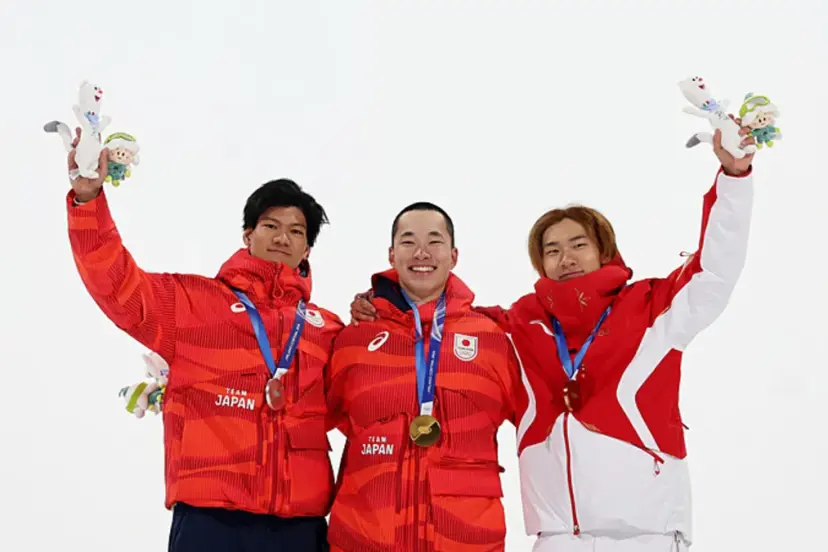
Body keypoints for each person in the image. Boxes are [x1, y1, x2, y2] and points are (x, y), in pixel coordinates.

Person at [349, 123, 757, 551]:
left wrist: (734, 179)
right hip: (557, 538)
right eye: (552, 250)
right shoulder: (520, 325)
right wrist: (383, 304)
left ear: (603, 250)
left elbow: (715, 271)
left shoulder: (654, 308)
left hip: (647, 533)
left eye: (578, 245)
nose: (566, 258)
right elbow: (444, 319)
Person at [64, 128, 343, 552]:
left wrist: (382, 310)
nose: (282, 237)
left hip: (299, 527)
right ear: (248, 235)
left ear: (307, 249)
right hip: (210, 521)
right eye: (270, 225)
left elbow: (372, 401)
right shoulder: (192, 304)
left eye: (296, 231)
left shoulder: (326, 331)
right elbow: (117, 285)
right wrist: (88, 202)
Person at [325, 202, 524, 552]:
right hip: (365, 539)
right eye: (408, 241)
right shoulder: (354, 339)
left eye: (434, 241)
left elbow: (536, 421)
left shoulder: (490, 339)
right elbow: (316, 417)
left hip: (466, 543)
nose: (421, 253)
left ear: (454, 255)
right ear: (391, 255)